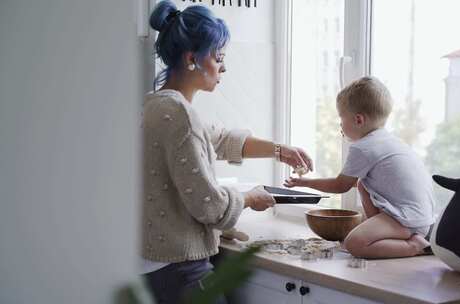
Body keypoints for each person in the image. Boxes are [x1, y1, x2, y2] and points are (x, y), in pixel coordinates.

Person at [141, 2, 312, 303]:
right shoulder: (180, 115)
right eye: (219, 57)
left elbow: (218, 139)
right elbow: (210, 206)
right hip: (180, 270)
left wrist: (278, 150)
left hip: (151, 265)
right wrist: (249, 198)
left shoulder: (154, 106)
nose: (224, 67)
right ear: (193, 58)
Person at [284, 77, 434, 258]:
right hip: (419, 216)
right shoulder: (389, 140)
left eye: (341, 118)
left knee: (354, 243)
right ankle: (390, 233)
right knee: (362, 184)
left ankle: (414, 246)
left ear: (358, 120)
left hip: (406, 220)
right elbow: (358, 183)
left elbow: (340, 186)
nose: (340, 124)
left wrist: (305, 183)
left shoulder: (363, 148)